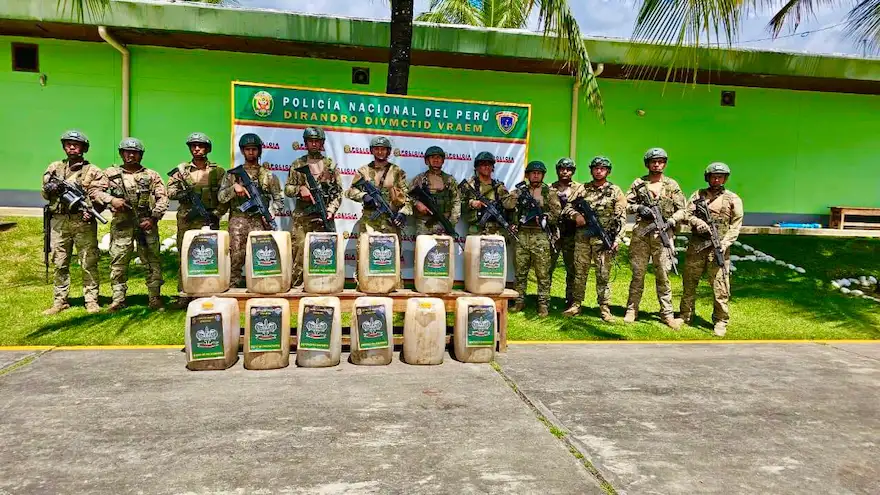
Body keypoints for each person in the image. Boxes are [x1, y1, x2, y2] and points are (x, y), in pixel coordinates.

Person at [41, 130, 111, 315]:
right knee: (60, 262)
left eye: (76, 144)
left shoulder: (94, 171)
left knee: (88, 262)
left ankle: (91, 300)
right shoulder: (55, 168)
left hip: (83, 222)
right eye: (68, 144)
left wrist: (94, 212)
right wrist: (51, 187)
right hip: (59, 221)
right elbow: (45, 192)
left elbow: (101, 196)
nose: (71, 147)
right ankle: (60, 301)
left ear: (83, 148)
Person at [624, 147, 687, 328]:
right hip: (641, 235)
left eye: (660, 162)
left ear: (664, 164)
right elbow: (624, 204)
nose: (657, 164)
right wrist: (638, 208)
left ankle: (667, 314)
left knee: (663, 275)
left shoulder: (671, 185)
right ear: (647, 164)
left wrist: (671, 221)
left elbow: (683, 209)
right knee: (638, 274)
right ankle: (632, 309)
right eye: (653, 162)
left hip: (663, 234)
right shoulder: (639, 183)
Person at [104, 138, 169, 311]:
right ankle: (118, 299)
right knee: (118, 260)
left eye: (135, 152)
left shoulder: (151, 175)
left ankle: (154, 298)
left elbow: (163, 198)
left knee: (152, 261)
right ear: (121, 153)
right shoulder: (110, 174)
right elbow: (96, 192)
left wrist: (153, 218)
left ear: (141, 155)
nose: (131, 155)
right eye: (127, 152)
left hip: (146, 224)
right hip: (122, 224)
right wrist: (111, 200)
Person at [680, 162, 744, 337]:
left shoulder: (733, 199)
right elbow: (686, 213)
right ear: (707, 178)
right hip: (697, 246)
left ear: (725, 179)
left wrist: (725, 244)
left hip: (718, 248)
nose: (716, 180)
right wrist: (697, 222)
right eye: (713, 177)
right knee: (689, 282)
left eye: (720, 177)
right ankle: (686, 314)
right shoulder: (698, 195)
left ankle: (720, 320)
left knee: (720, 286)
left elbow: (735, 226)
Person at [561, 156, 626, 320]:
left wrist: (617, 240)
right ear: (591, 170)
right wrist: (576, 215)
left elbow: (621, 218)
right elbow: (567, 207)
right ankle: (576, 304)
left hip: (603, 240)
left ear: (608, 171)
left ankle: (604, 307)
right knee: (579, 272)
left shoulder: (615, 191)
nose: (598, 171)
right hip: (582, 238)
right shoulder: (582, 189)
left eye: (602, 168)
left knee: (603, 274)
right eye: (596, 168)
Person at [166, 132, 226, 307]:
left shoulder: (217, 171)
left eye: (200, 146)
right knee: (185, 255)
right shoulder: (182, 171)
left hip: (209, 219)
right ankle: (184, 292)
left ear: (207, 149)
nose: (197, 149)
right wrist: (183, 194)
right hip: (187, 219)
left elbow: (225, 196)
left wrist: (217, 213)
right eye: (193, 146)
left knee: (209, 256)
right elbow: (170, 192)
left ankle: (208, 290)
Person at [218, 133, 284, 288]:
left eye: (254, 149)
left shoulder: (268, 175)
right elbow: (221, 197)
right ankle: (233, 286)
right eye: (247, 149)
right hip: (238, 221)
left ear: (259, 151)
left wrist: (270, 212)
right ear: (242, 151)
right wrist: (234, 188)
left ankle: (260, 286)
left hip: (260, 221)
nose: (251, 152)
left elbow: (279, 199)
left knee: (261, 256)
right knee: (236, 256)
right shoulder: (232, 175)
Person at [284, 127, 343, 287]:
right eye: (311, 141)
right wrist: (300, 189)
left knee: (324, 254)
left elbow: (338, 192)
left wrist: (331, 210)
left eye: (317, 141)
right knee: (299, 253)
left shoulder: (330, 165)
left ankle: (322, 286)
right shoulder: (298, 164)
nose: (314, 144)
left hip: (324, 218)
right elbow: (288, 189)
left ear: (322, 143)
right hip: (303, 218)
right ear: (306, 143)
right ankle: (296, 288)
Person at [509, 161, 561, 317]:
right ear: (528, 175)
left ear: (543, 175)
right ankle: (519, 301)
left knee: (543, 273)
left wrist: (545, 218)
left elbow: (557, 213)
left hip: (541, 236)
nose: (536, 175)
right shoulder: (519, 191)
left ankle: (543, 304)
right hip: (522, 234)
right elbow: (508, 206)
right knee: (520, 271)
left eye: (539, 173)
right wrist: (515, 197)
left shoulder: (549, 192)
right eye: (533, 173)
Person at [344, 135, 412, 235]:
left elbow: (408, 196)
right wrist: (364, 196)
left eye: (383, 149)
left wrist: (403, 213)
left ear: (388, 151)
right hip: (369, 223)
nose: (380, 152)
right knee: (365, 244)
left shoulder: (397, 171)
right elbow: (350, 192)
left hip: (390, 223)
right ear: (372, 151)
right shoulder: (364, 170)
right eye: (377, 149)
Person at [408, 146, 461, 236]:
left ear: (443, 161)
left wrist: (450, 223)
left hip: (444, 223)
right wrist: (417, 203)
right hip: (424, 224)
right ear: (427, 161)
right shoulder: (419, 179)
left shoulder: (449, 180)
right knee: (423, 245)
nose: (436, 160)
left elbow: (456, 202)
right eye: (432, 157)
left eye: (438, 157)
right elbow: (406, 196)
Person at [549, 157, 579, 308]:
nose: (565, 172)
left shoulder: (580, 189)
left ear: (572, 171)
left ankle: (571, 300)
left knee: (572, 269)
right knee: (547, 267)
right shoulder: (549, 188)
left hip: (572, 234)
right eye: (562, 169)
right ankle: (544, 299)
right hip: (553, 233)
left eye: (568, 169)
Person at [458, 151, 513, 235]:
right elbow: (457, 204)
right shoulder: (470, 185)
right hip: (476, 230)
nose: (487, 167)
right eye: (483, 164)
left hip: (496, 231)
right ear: (477, 167)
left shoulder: (499, 187)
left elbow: (508, 207)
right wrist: (471, 203)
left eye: (489, 164)